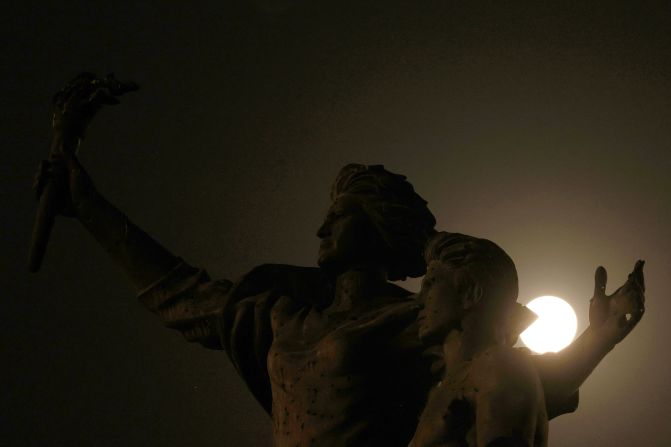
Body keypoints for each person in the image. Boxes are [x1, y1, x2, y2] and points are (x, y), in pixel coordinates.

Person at [33, 74, 645, 446]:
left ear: (378, 228)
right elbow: (178, 292)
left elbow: (518, 386)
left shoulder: (417, 322)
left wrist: (599, 338)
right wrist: (84, 199)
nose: (324, 225)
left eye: (343, 213)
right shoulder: (279, 313)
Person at [411, 232, 547, 447]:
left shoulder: (497, 365)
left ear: (470, 293)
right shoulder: (442, 390)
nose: (419, 301)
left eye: (431, 285)